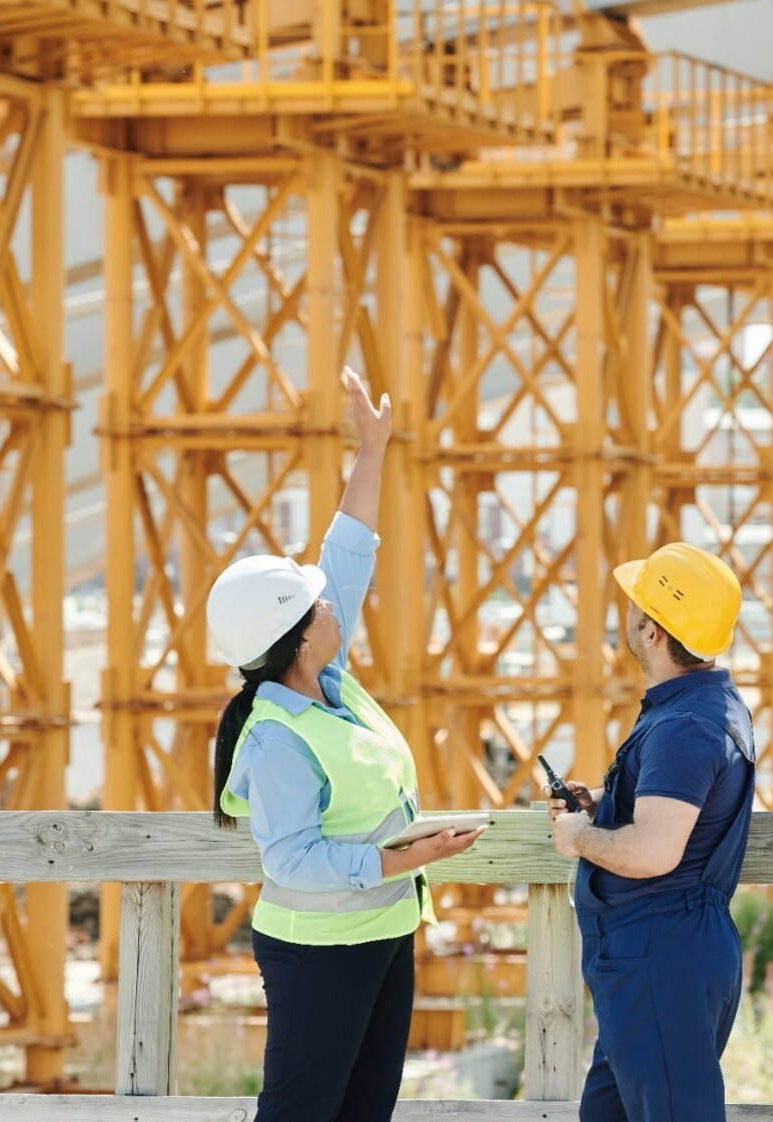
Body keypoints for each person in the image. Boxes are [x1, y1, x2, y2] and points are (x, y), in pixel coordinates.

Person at [206, 367, 485, 1122]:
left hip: (386, 930)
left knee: (366, 1112)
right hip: (319, 951)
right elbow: (289, 859)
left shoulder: (329, 680)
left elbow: (348, 555)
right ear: (297, 638)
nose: (331, 598)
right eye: (315, 601)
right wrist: (405, 858)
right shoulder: (276, 739)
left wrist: (373, 449)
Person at [549, 542, 755, 1122]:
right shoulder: (707, 706)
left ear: (653, 631)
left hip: (658, 954)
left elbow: (655, 850)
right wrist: (607, 804)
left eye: (637, 606)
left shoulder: (685, 725)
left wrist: (579, 836)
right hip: (661, 954)